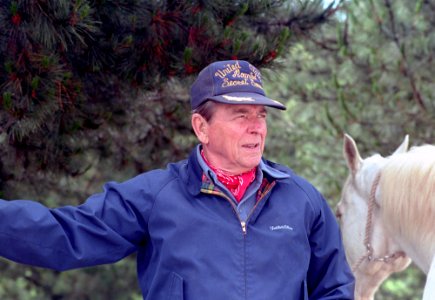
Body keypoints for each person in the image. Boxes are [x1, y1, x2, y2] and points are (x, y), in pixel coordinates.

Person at [0, 60, 354, 299]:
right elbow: (66, 234)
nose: (256, 127)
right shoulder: (157, 197)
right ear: (201, 127)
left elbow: (335, 287)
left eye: (260, 115)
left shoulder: (303, 200)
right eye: (240, 115)